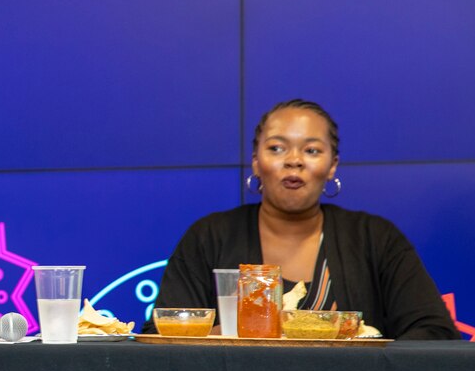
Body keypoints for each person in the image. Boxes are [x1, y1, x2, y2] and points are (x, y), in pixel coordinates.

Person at [150, 99, 459, 340]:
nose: (294, 160)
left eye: (311, 150)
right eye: (276, 148)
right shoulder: (210, 236)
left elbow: (435, 333)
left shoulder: (374, 239)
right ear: (256, 163)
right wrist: (231, 334)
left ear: (332, 166)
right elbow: (161, 334)